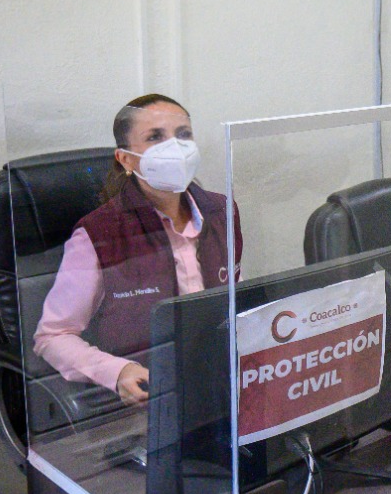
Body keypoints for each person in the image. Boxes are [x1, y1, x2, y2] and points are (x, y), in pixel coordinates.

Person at [34, 94, 241, 405]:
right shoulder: (98, 233)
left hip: (220, 383)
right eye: (155, 137)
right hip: (150, 396)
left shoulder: (221, 211)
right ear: (126, 160)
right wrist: (118, 372)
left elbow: (231, 295)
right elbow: (52, 337)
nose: (175, 147)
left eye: (183, 134)